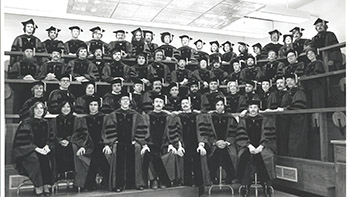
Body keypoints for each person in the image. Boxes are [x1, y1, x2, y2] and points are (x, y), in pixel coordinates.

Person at [101, 92, 149, 192]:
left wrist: (139, 142)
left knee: (137, 148)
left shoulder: (137, 115)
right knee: (117, 152)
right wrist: (111, 142)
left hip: (132, 142)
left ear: (130, 102)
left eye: (127, 100)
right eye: (123, 100)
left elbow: (141, 130)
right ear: (119, 102)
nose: (125, 102)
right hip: (118, 142)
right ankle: (118, 185)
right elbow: (109, 131)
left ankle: (137, 183)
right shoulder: (113, 115)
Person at [197, 96, 246, 184]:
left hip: (228, 144)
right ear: (215, 106)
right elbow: (206, 133)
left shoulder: (230, 118)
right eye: (217, 105)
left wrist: (227, 142)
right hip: (213, 144)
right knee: (218, 152)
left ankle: (216, 176)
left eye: (221, 105)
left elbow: (235, 132)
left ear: (224, 106)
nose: (220, 107)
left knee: (227, 153)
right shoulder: (209, 118)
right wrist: (215, 142)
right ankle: (228, 175)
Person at [12, 102, 55, 196]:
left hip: (44, 149)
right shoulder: (26, 123)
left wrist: (48, 146)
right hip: (29, 151)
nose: (39, 110)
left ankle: (46, 184)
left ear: (44, 111)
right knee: (35, 159)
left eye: (41, 108)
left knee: (50, 157)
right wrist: (36, 149)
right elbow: (22, 142)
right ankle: (38, 185)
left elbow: (51, 138)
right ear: (33, 110)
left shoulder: (46, 123)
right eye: (37, 108)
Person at [50, 100, 93, 190]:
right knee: (53, 152)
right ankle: (55, 179)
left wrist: (69, 141)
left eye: (68, 107)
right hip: (58, 146)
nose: (66, 109)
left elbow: (83, 134)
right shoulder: (54, 121)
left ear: (71, 108)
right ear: (60, 108)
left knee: (79, 154)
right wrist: (60, 140)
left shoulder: (78, 120)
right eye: (63, 107)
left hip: (74, 145)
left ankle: (77, 183)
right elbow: (51, 135)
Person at [237, 99, 276, 197]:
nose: (253, 109)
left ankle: (266, 185)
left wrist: (261, 146)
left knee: (266, 156)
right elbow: (241, 136)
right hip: (247, 146)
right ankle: (245, 184)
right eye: (251, 107)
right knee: (245, 156)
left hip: (263, 146)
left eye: (255, 107)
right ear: (248, 109)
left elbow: (269, 135)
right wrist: (249, 146)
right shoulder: (243, 121)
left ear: (258, 108)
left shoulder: (265, 119)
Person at [142, 94, 179, 189]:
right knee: (147, 153)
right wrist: (144, 144)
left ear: (163, 105)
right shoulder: (146, 116)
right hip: (150, 144)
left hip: (164, 144)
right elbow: (143, 132)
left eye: (161, 102)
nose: (158, 104)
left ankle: (163, 179)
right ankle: (154, 179)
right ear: (153, 104)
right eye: (157, 102)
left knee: (170, 153)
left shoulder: (168, 117)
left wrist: (171, 144)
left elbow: (172, 131)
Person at [276, 73, 308, 158]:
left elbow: (299, 106)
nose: (288, 82)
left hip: (298, 122)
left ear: (295, 81)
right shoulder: (288, 93)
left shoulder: (299, 91)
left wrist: (285, 109)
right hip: (289, 121)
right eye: (287, 80)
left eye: (291, 80)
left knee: (295, 144)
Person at [176, 97, 204, 186]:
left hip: (196, 142)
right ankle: (187, 185)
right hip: (184, 143)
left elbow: (201, 130)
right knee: (186, 164)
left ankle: (199, 186)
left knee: (197, 164)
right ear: (180, 106)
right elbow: (176, 132)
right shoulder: (178, 117)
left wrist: (201, 144)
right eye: (183, 103)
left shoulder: (197, 116)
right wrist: (179, 145)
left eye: (186, 103)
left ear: (190, 105)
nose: (185, 105)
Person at [83, 96, 110, 190]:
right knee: (94, 156)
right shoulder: (84, 119)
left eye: (95, 105)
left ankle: (92, 183)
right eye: (91, 105)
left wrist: (106, 144)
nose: (93, 107)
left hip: (102, 144)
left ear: (99, 106)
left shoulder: (104, 118)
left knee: (98, 156)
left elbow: (108, 132)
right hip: (89, 145)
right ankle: (101, 182)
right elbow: (82, 134)